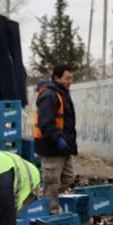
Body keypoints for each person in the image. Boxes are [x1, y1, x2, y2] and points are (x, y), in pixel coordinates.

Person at [34, 64, 77, 211]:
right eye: (67, 78)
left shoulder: (62, 93)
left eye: (71, 78)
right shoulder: (49, 95)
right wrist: (57, 139)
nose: (70, 81)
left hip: (64, 147)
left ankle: (44, 200)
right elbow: (45, 123)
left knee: (68, 178)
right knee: (52, 182)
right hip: (51, 147)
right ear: (57, 78)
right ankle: (49, 213)